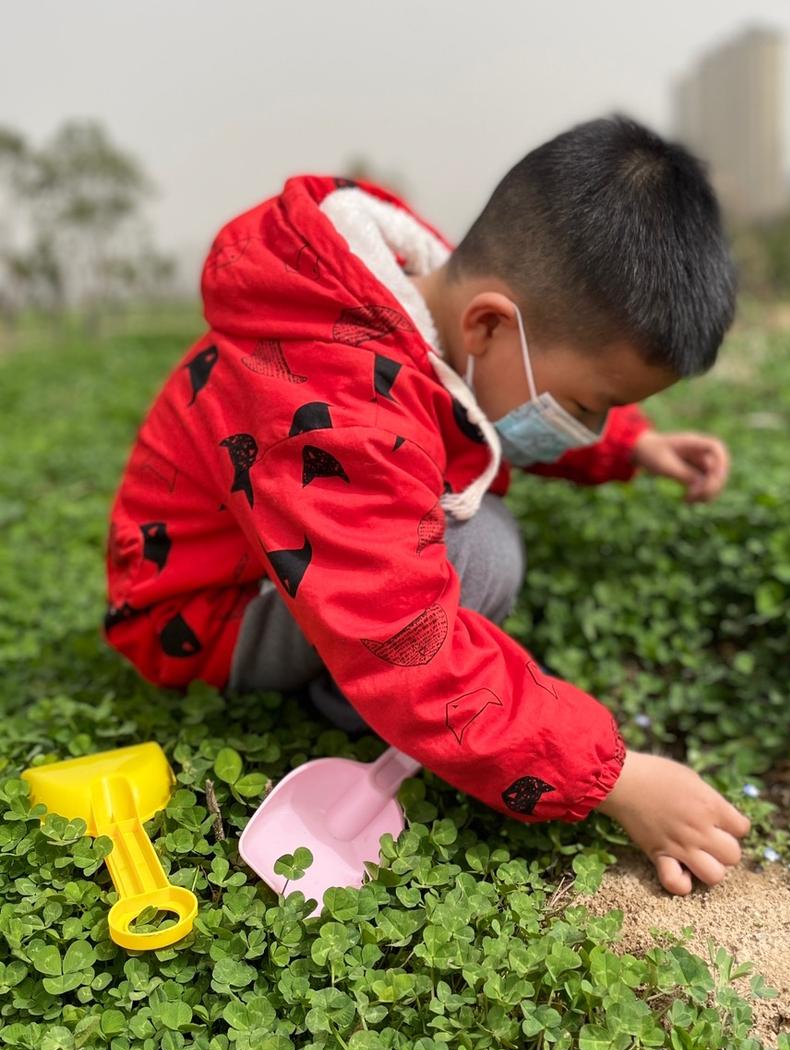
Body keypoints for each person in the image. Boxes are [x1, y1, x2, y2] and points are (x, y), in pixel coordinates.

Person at [102, 114, 749, 897]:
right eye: (588, 404)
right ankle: (341, 709)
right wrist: (614, 776)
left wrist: (628, 446)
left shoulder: (405, 302)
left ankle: (351, 689)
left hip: (254, 563)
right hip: (201, 616)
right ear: (486, 323)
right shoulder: (337, 406)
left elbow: (484, 397)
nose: (585, 423)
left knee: (476, 541)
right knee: (481, 554)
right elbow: (408, 641)